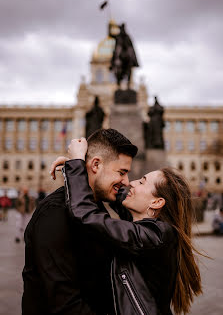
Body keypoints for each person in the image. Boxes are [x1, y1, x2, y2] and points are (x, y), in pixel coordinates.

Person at [62, 137, 203, 315]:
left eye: (142, 181)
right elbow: (117, 193)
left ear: (157, 202)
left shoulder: (154, 237)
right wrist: (85, 170)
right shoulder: (149, 228)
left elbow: (85, 215)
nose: (131, 182)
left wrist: (76, 164)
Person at [22, 129, 137, 315]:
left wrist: (77, 169)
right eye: (122, 172)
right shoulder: (54, 213)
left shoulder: (95, 206)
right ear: (96, 164)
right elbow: (64, 303)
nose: (126, 181)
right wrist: (78, 168)